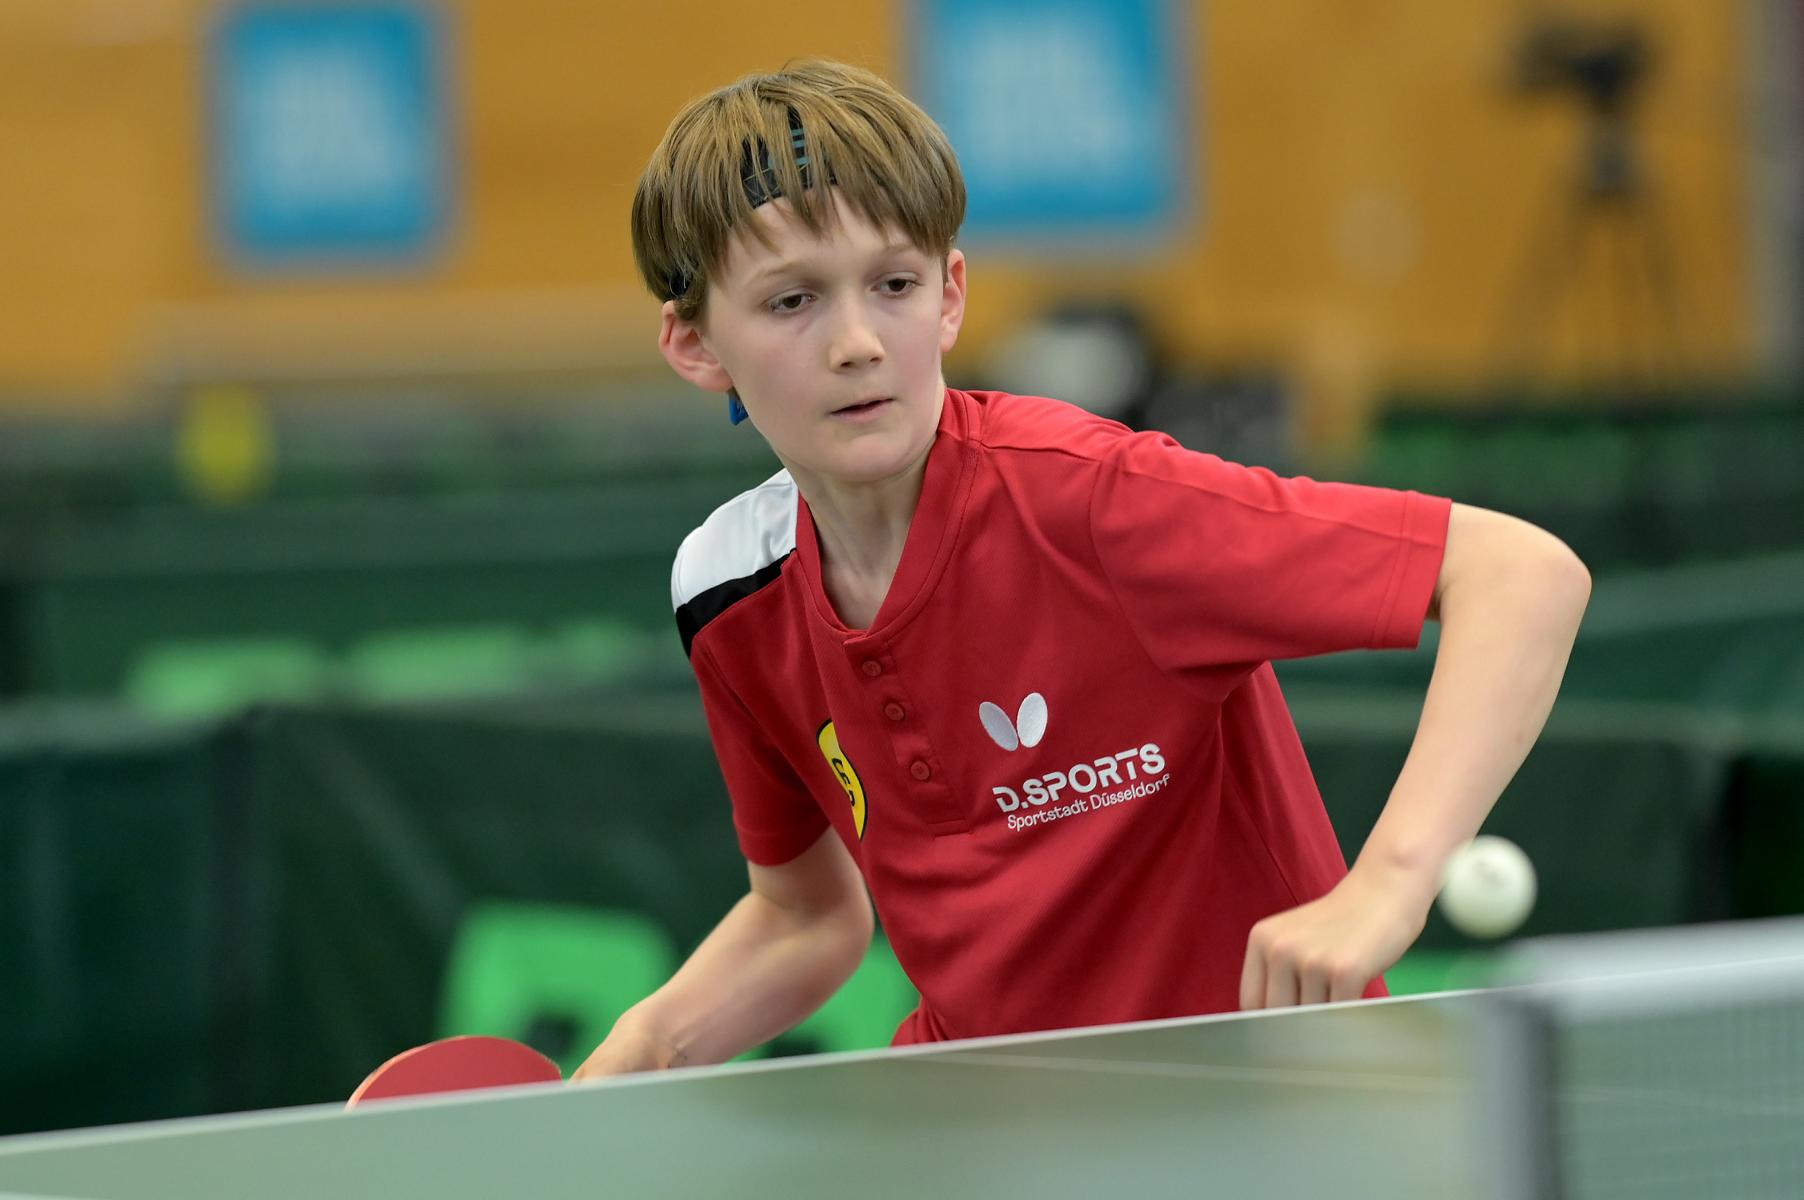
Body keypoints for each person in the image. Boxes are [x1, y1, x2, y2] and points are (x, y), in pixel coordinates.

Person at [573, 59, 1590, 1078]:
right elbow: (805, 918)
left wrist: (1388, 886)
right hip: (984, 1120)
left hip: (1269, 1100)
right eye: (792, 300)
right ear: (695, 344)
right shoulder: (727, 592)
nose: (856, 343)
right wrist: (646, 1045)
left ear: (949, 296)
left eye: (893, 285)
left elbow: (1521, 576)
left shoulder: (1092, 501)